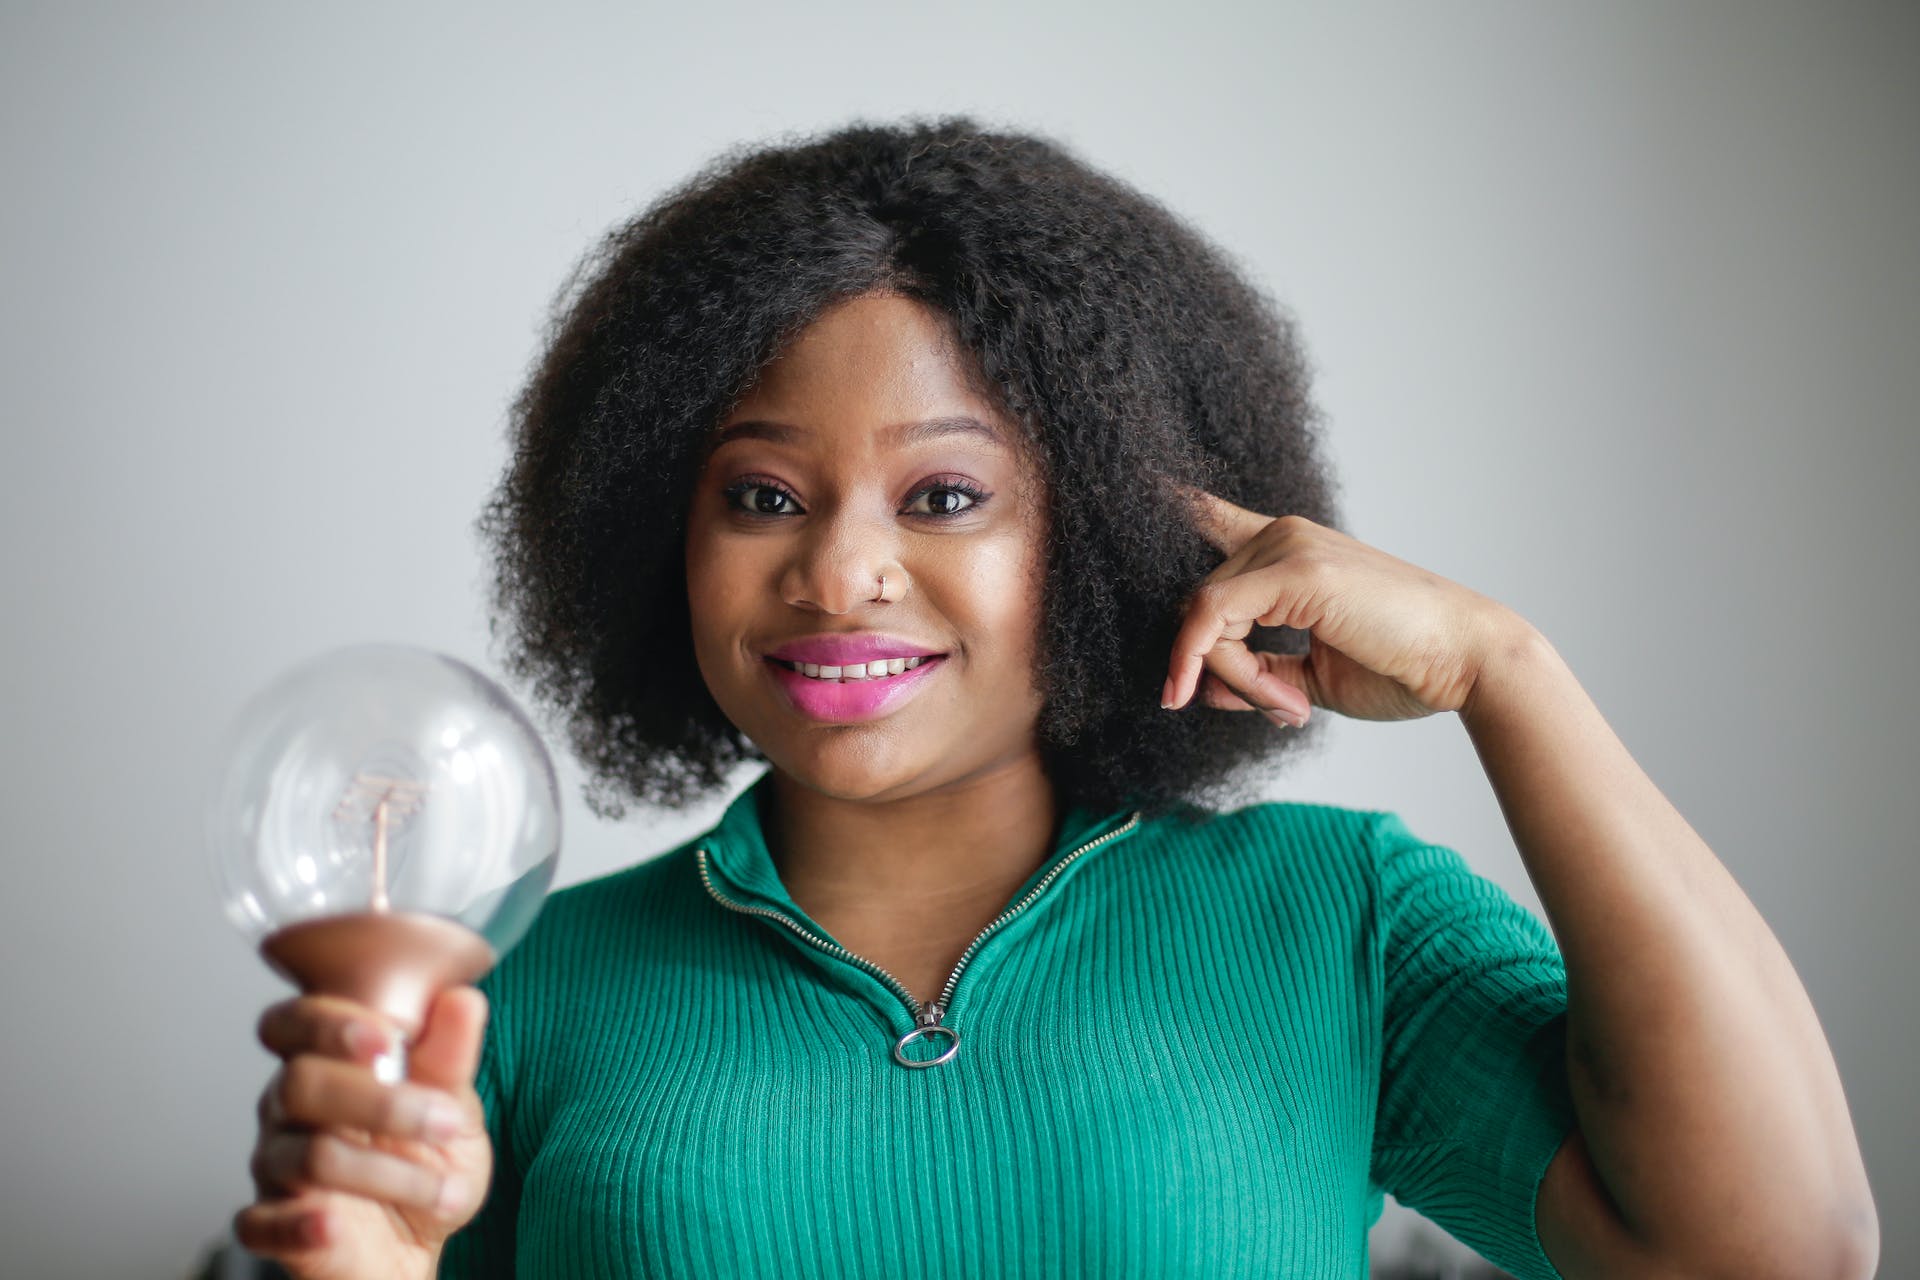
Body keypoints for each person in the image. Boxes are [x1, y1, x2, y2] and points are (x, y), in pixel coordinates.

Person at [233, 116, 1879, 1279]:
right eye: (761, 496)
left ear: (1097, 533)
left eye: (943, 498)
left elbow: (1773, 1251)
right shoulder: (521, 995)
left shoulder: (1340, 924)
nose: (836, 574)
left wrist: (1507, 671)